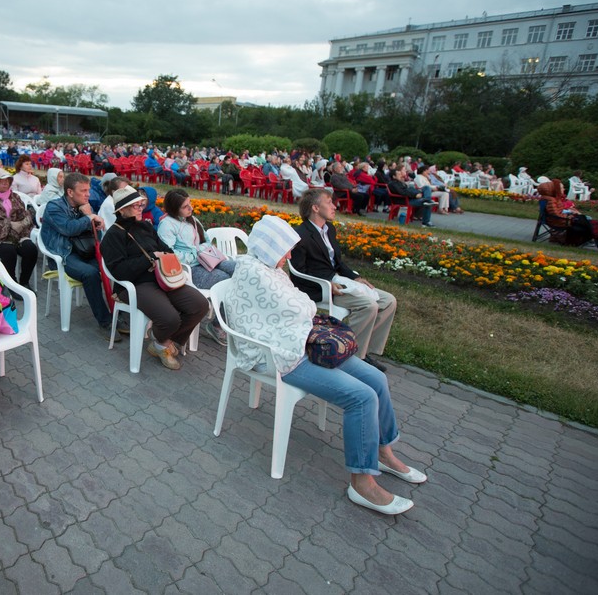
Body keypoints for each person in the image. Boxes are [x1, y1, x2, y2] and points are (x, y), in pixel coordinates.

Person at [226, 215, 424, 516]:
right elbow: (301, 305)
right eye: (286, 249)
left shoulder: (269, 267)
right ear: (269, 246)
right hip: (276, 355)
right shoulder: (254, 272)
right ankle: (362, 483)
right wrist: (303, 307)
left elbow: (299, 305)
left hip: (299, 343)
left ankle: (383, 452)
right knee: (361, 397)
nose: (290, 256)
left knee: (376, 381)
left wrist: (302, 307)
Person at [102, 186, 209, 370]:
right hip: (136, 284)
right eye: (134, 205)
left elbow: (166, 249)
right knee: (170, 318)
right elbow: (119, 272)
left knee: (199, 305)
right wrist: (149, 259)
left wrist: (160, 257)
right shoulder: (114, 235)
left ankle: (161, 343)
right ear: (121, 210)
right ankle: (164, 341)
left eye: (141, 204)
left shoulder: (145, 226)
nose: (140, 208)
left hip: (162, 277)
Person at [290, 189, 397, 371]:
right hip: (322, 287)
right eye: (329, 202)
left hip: (339, 280)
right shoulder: (301, 235)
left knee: (389, 301)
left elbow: (338, 262)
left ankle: (363, 352)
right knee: (369, 306)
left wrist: (356, 277)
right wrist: (327, 285)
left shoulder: (329, 229)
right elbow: (297, 273)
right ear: (316, 208)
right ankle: (349, 355)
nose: (334, 206)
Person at [40, 172, 118, 338]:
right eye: (83, 191)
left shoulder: (84, 205)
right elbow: (69, 228)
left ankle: (120, 312)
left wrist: (96, 223)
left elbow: (96, 234)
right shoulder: (54, 207)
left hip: (84, 251)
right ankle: (106, 321)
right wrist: (89, 216)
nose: (88, 194)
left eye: (88, 190)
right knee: (90, 274)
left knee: (114, 265)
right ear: (70, 192)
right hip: (64, 254)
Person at [157, 189, 234, 345]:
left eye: (190, 203)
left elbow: (206, 240)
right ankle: (218, 326)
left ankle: (230, 322)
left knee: (240, 271)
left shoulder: (192, 220)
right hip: (191, 269)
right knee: (227, 281)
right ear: (174, 208)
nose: (190, 208)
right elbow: (168, 254)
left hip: (208, 260)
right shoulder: (167, 225)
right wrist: (195, 253)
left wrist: (204, 250)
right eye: (185, 206)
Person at [0, 167, 38, 288]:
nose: (5, 183)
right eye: (1, 181)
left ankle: (24, 282)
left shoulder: (14, 196)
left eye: (7, 180)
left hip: (17, 234)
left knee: (31, 249)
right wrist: (9, 225)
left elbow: (25, 215)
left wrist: (20, 224)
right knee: (9, 252)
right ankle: (11, 283)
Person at [538, 180, 598, 253]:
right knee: (595, 225)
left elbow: (557, 213)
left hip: (563, 220)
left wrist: (570, 212)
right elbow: (556, 215)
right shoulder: (551, 200)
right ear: (553, 189)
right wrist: (572, 216)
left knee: (593, 224)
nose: (563, 189)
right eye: (561, 188)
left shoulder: (550, 199)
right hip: (563, 222)